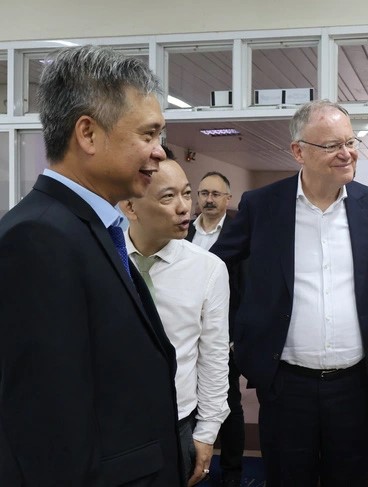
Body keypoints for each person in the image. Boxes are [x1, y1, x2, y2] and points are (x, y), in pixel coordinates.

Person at [210, 99, 368, 487]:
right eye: (332, 145)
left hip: (355, 384)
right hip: (285, 384)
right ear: (299, 151)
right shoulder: (263, 206)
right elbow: (216, 266)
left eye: (350, 141)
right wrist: (238, 327)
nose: (348, 153)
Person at [0, 45, 184, 485]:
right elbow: (48, 433)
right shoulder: (38, 238)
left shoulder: (92, 227)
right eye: (148, 134)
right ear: (88, 134)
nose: (160, 153)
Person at [121, 153, 230, 486]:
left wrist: (206, 432)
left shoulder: (208, 269)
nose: (185, 207)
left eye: (186, 193)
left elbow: (213, 357)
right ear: (130, 207)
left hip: (176, 424)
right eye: (168, 197)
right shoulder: (102, 259)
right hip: (111, 424)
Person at [186, 171, 245, 487]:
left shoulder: (239, 234)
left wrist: (236, 337)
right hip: (188, 335)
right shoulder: (182, 233)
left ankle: (233, 471)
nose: (208, 199)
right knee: (189, 402)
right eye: (203, 192)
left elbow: (246, 289)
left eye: (215, 194)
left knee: (228, 405)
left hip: (226, 337)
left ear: (228, 198)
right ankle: (191, 463)